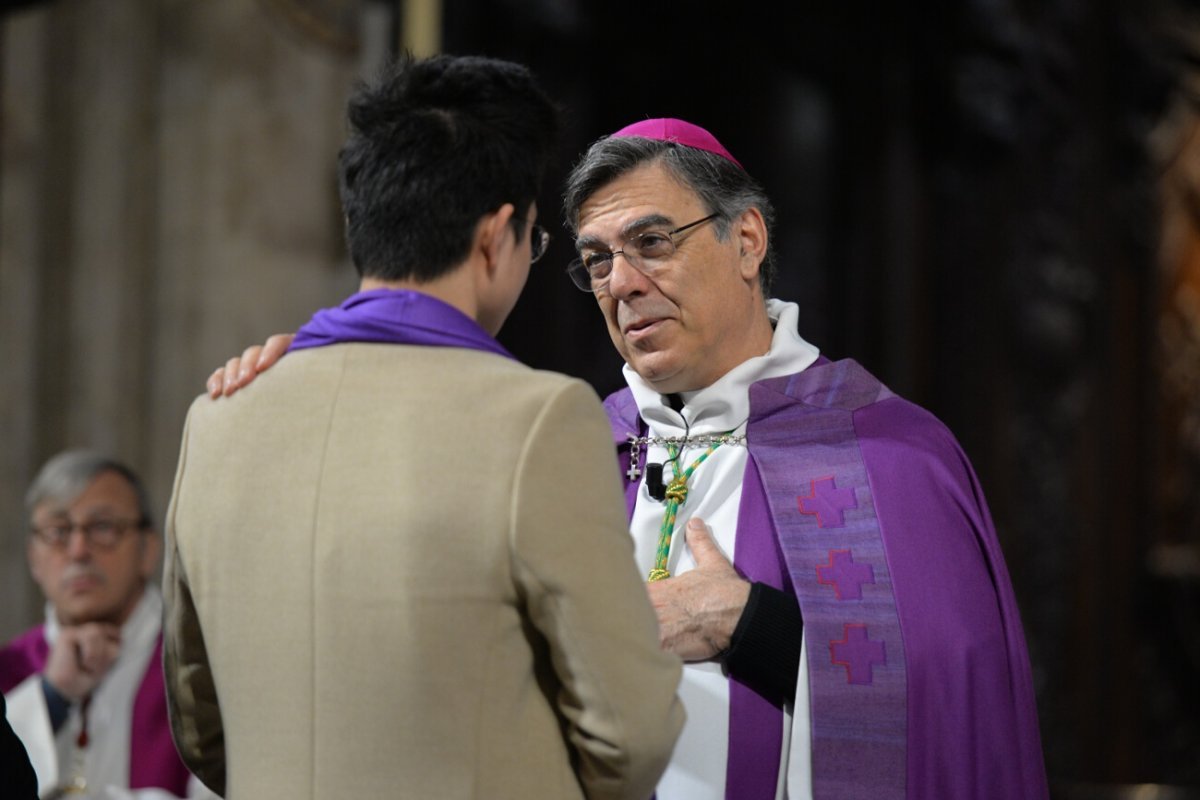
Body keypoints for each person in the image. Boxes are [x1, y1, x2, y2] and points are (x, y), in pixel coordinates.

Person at [211, 117, 1051, 799]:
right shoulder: (571, 442)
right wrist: (319, 381)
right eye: (597, 260)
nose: (621, 282)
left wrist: (753, 627)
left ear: (748, 239)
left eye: (652, 242)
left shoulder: (882, 452)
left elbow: (959, 711)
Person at [162, 54, 683, 800]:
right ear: (494, 236)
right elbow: (631, 738)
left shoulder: (220, 415)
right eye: (535, 240)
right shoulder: (538, 420)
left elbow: (200, 725)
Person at [0, 450, 216, 799]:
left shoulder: (200, 666)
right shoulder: (9, 670)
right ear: (33, 558)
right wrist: (51, 698)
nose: (79, 549)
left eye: (102, 527)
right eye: (58, 531)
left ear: (148, 550)